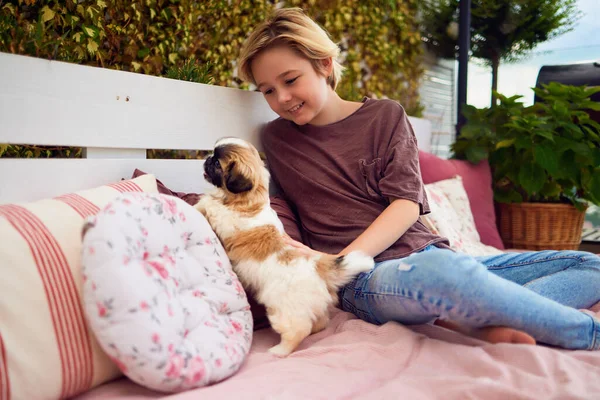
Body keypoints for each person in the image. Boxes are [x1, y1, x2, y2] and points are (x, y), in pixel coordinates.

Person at [236, 7, 600, 350]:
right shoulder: (276, 140)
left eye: (290, 80)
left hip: (428, 255)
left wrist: (341, 260)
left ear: (324, 64)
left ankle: (475, 318)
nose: (282, 98)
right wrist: (330, 267)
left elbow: (407, 205)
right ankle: (587, 332)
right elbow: (273, 208)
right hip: (365, 280)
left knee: (590, 264)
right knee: (443, 272)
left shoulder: (385, 116)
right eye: (267, 90)